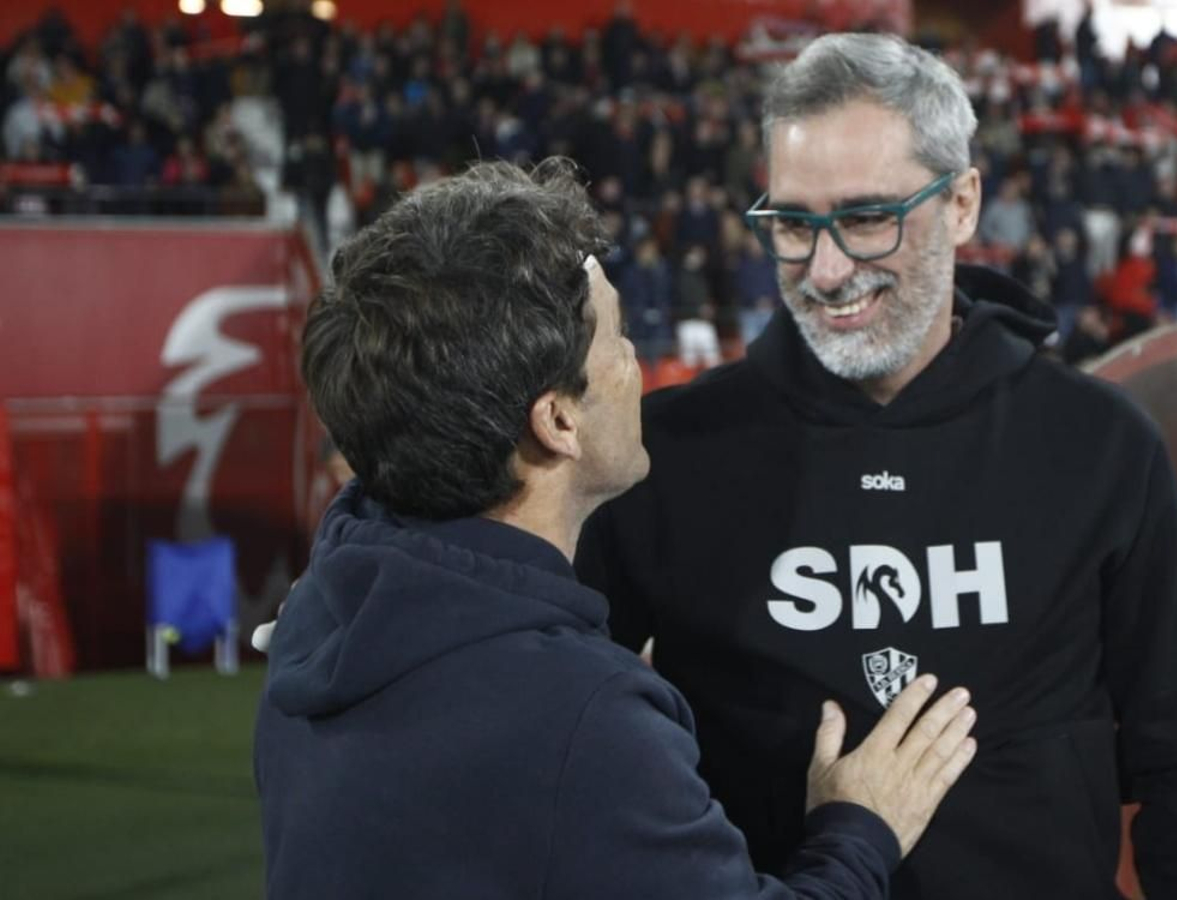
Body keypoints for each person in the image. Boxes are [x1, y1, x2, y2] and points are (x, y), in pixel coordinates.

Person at [576, 33, 1177, 899]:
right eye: (794, 224)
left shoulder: (1100, 447)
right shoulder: (663, 456)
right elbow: (551, 742)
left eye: (867, 219)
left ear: (964, 202)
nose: (827, 271)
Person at [254, 159, 979, 899]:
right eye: (619, 340)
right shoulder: (581, 716)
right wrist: (859, 825)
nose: (635, 363)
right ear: (559, 420)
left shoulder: (317, 628)